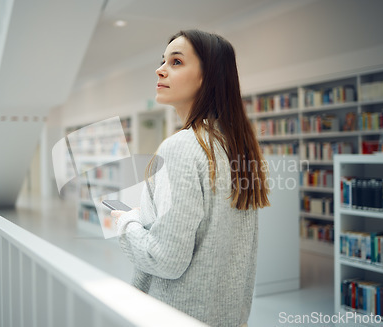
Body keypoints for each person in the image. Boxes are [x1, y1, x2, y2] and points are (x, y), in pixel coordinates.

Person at [111, 29, 270, 327]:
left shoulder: (183, 146)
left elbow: (165, 259)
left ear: (206, 77)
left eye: (176, 62)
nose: (160, 69)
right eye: (163, 61)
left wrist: (126, 222)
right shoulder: (235, 146)